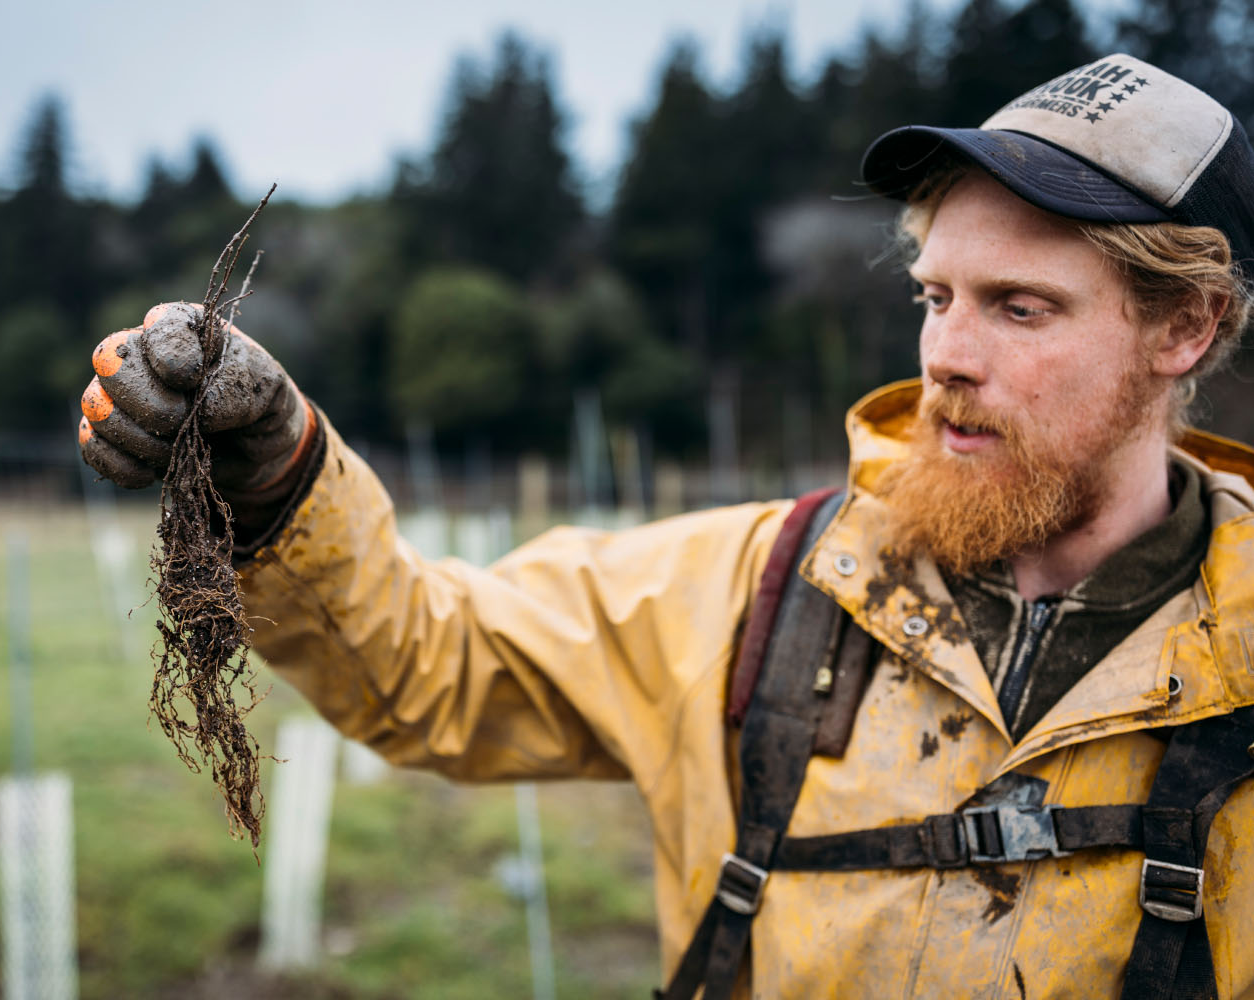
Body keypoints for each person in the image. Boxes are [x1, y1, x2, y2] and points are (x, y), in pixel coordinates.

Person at [80, 53, 1254, 998]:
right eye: (935, 296)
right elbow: (432, 662)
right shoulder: (766, 587)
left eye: (1021, 307)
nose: (946, 353)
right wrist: (281, 464)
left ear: (1185, 329)